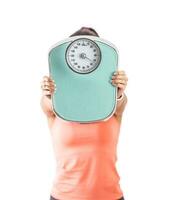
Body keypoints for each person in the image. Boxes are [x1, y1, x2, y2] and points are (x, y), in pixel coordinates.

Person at [40, 27, 128, 200]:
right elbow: (46, 103)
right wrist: (48, 92)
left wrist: (118, 91)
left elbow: (121, 102)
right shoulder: (55, 107)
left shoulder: (112, 107)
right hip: (63, 196)